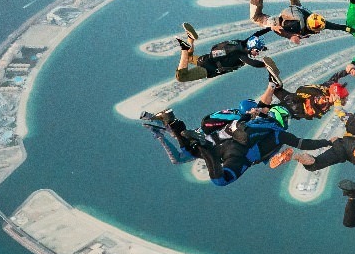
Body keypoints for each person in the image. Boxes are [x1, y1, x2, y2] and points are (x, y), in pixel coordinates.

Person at [141, 78, 333, 187]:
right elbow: (305, 144)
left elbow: (261, 107)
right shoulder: (279, 133)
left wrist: (271, 88)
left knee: (189, 153)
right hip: (237, 153)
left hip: (226, 142)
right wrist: (329, 142)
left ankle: (172, 123)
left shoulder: (257, 119)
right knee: (219, 180)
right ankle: (182, 132)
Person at [248, 0, 345, 44]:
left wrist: (353, 30)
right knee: (256, 17)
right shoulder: (296, 26)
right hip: (281, 20)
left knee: (296, 5)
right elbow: (277, 28)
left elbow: (337, 26)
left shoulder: (319, 23)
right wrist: (290, 36)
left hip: (297, 12)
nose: (319, 31)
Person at [172, 20, 279, 83]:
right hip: (207, 69)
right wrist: (265, 65)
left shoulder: (242, 43)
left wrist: (270, 28)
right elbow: (253, 63)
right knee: (181, 77)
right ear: (252, 48)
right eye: (257, 50)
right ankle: (184, 49)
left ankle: (190, 38)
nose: (258, 53)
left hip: (207, 58)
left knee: (188, 58)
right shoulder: (241, 55)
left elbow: (257, 34)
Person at [273, 76, 349, 121]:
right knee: (273, 115)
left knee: (277, 91)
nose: (345, 100)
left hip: (296, 100)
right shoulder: (325, 100)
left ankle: (273, 84)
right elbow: (340, 113)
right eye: (343, 98)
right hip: (297, 108)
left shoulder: (326, 89)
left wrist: (346, 71)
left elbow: (333, 79)